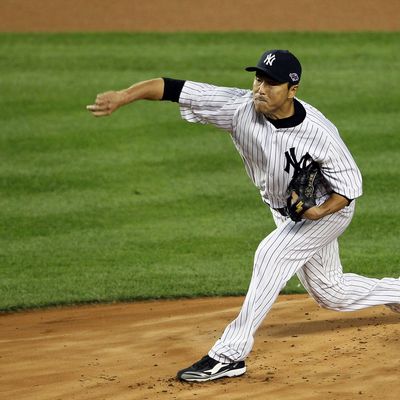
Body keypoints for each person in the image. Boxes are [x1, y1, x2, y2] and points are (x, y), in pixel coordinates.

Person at [87, 49, 400, 383]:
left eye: (272, 83)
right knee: (330, 292)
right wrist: (124, 96)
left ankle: (228, 355)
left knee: (270, 254)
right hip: (287, 213)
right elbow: (171, 87)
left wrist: (317, 211)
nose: (261, 88)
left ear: (292, 90)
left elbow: (349, 188)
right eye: (259, 78)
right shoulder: (238, 108)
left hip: (328, 211)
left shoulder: (319, 133)